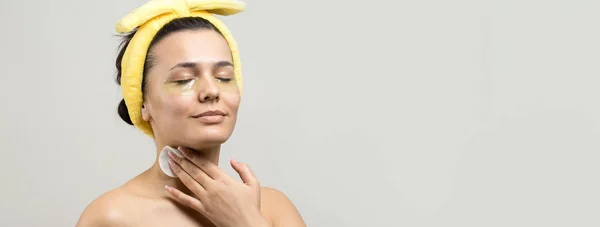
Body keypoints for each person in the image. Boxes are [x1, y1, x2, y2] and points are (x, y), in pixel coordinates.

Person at [76, 0, 306, 226]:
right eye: (184, 80)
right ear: (142, 103)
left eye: (224, 77)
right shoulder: (112, 216)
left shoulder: (274, 208)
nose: (211, 91)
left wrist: (246, 221)